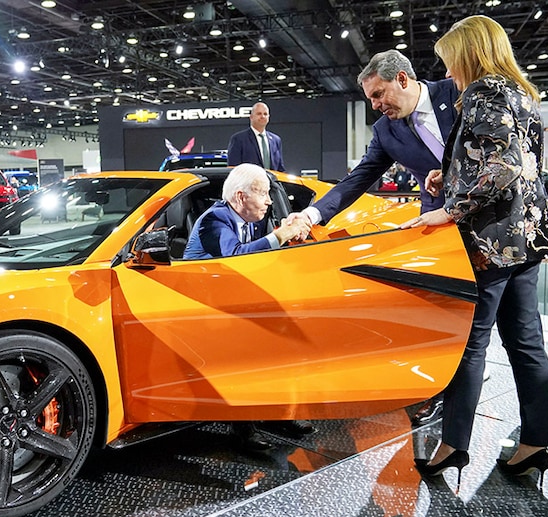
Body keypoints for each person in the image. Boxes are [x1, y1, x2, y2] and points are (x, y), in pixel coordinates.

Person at [401, 15, 548, 486]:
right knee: (527, 343)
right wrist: (451, 177)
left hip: (490, 241)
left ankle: (453, 446)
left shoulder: (485, 92)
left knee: (470, 344)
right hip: (526, 237)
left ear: (469, 54)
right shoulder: (522, 95)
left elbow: (502, 166)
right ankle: (535, 443)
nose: (448, 74)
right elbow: (522, 164)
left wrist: (451, 208)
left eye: (450, 63)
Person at [287, 49, 460, 426]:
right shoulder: (385, 130)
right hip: (437, 224)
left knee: (507, 327)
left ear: (402, 79)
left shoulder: (455, 92)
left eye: (379, 95)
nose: (376, 106)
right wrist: (311, 214)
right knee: (444, 316)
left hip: (488, 220)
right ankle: (439, 389)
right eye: (370, 99)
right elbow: (358, 178)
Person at [182, 163, 314, 449]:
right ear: (241, 197)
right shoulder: (214, 219)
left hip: (227, 305)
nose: (268, 200)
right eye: (263, 194)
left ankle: (277, 413)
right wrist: (280, 235)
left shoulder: (245, 220)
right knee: (245, 349)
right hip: (197, 311)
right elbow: (235, 257)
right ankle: (243, 431)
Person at [227, 102, 286, 171]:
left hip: (271, 181)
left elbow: (280, 167)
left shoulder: (276, 140)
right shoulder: (238, 139)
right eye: (259, 114)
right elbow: (233, 168)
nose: (263, 116)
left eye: (265, 114)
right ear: (251, 117)